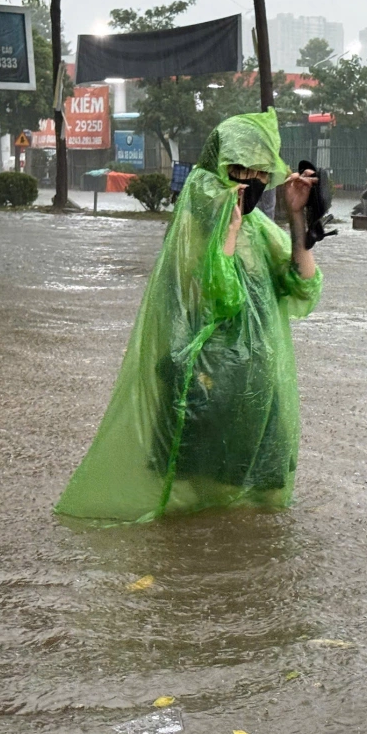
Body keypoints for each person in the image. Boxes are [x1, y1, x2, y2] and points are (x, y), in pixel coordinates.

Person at [54, 108, 322, 524]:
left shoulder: (261, 230)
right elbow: (219, 300)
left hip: (257, 394)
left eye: (260, 172)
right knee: (192, 515)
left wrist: (296, 215)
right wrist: (227, 232)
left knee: (256, 516)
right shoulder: (190, 232)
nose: (249, 181)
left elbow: (305, 285)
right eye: (237, 170)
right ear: (216, 169)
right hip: (202, 393)